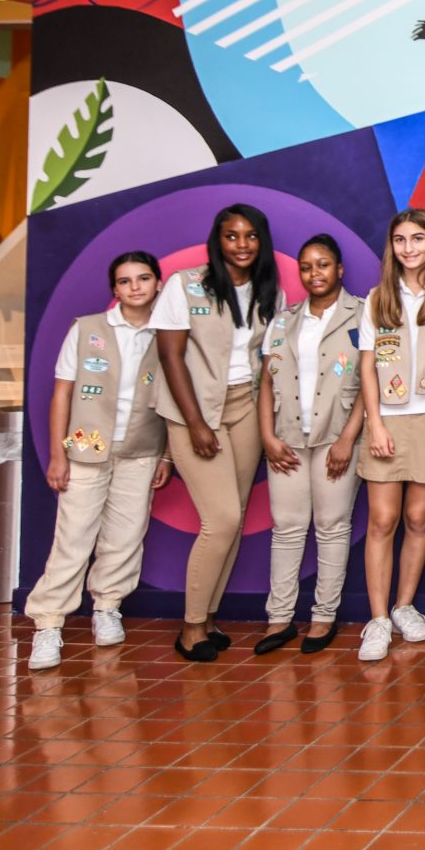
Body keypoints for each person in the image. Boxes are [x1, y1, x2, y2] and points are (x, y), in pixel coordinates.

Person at [25, 252, 169, 671]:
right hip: (86, 450)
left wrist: (165, 455)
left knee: (125, 537)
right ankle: (48, 624)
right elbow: (61, 396)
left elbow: (176, 399)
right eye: (125, 281)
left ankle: (108, 606)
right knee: (73, 538)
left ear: (158, 283)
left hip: (141, 450)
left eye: (143, 278)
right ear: (115, 290)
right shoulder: (87, 329)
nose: (135, 287)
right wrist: (58, 455)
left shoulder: (168, 335)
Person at [153, 204, 283, 661]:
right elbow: (170, 357)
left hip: (244, 405)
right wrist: (194, 424)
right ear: (218, 239)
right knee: (221, 519)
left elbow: (269, 361)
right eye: (232, 236)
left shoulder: (270, 290)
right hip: (195, 410)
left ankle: (207, 617)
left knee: (239, 512)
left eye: (250, 236)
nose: (242, 245)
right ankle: (190, 628)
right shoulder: (184, 285)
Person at [255, 236, 364, 656]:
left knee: (333, 527)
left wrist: (347, 439)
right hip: (287, 440)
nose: (314, 273)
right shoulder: (282, 321)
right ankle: (279, 619)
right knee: (286, 528)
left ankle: (323, 618)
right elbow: (266, 382)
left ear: (339, 269)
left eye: (323, 265)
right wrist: (267, 436)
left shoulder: (364, 313)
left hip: (337, 439)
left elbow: (369, 384)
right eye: (306, 266)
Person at [355, 209, 425, 662]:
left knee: (418, 519)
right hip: (388, 420)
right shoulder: (376, 298)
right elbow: (367, 367)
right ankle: (376, 620)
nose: (408, 248)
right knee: (382, 521)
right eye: (399, 240)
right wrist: (375, 423)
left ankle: (403, 607)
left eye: (417, 238)